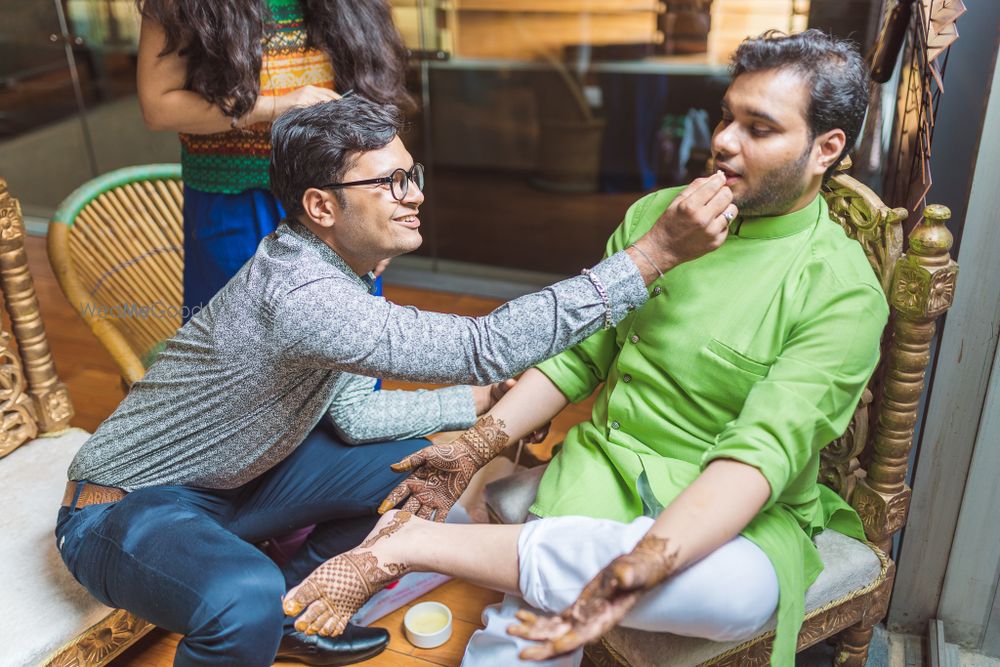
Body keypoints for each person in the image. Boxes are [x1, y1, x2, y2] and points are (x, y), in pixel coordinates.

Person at [55, 96, 731, 667]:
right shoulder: (304, 295)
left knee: (409, 468)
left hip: (231, 483)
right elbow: (484, 343)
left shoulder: (341, 268)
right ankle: (264, 606)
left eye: (412, 173)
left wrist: (478, 408)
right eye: (389, 183)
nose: (416, 197)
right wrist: (653, 255)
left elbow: (350, 413)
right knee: (240, 592)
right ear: (321, 205)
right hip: (123, 506)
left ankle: (298, 608)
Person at [282, 30, 886, 667]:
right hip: (602, 478)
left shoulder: (842, 290)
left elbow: (761, 455)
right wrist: (475, 445)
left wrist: (642, 562)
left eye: (758, 129)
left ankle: (418, 546)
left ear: (826, 149)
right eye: (727, 117)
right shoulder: (662, 217)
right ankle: (494, 557)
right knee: (520, 636)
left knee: (734, 592)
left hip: (738, 516)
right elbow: (580, 356)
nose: (723, 142)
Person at [136, 0, 410, 314]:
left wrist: (380, 217)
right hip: (233, 202)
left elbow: (370, 99)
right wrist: (271, 107)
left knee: (350, 329)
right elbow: (157, 108)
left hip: (338, 198)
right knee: (241, 329)